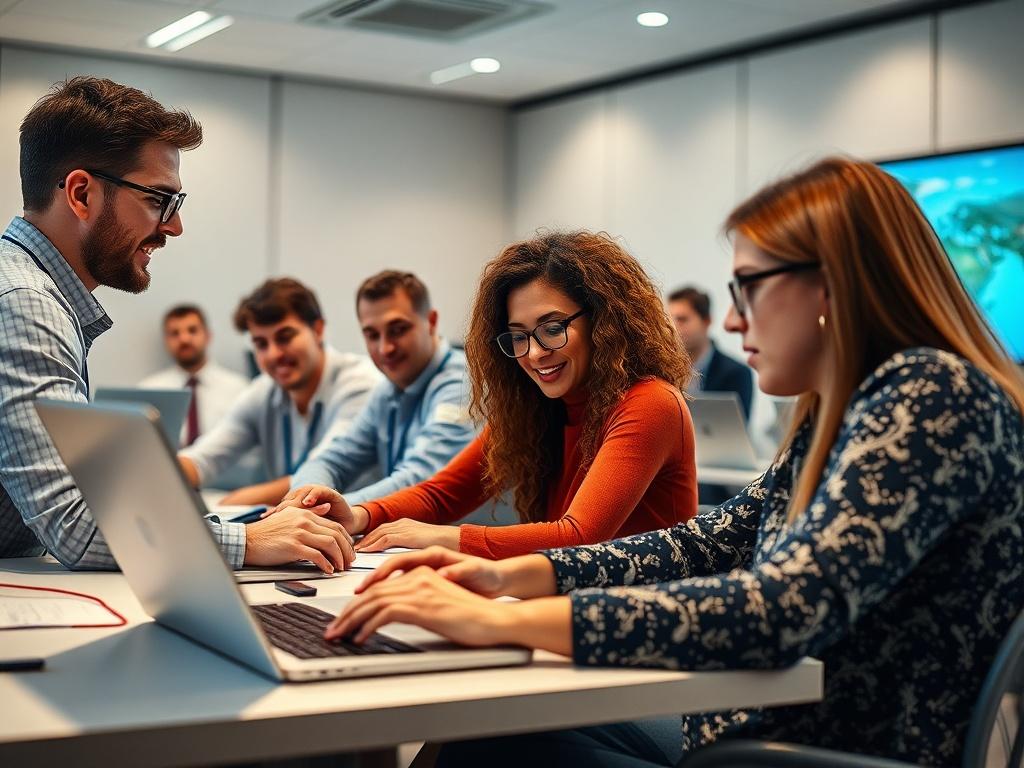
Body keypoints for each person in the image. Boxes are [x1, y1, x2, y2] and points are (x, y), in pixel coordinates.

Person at [325, 157, 1024, 767]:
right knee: (486, 728)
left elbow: (780, 608)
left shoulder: (932, 396)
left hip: (800, 753)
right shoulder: (839, 417)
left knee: (491, 736)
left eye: (748, 286)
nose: (733, 320)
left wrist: (500, 618)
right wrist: (503, 573)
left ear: (832, 285)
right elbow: (707, 542)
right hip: (757, 733)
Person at [0, 77, 354, 573]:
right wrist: (247, 541)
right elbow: (75, 527)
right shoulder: (26, 302)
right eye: (156, 200)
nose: (173, 226)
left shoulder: (25, 289)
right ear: (81, 194)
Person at [272, 231, 698, 559]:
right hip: (569, 606)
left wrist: (443, 538)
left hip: (632, 622)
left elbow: (578, 537)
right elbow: (441, 494)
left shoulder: (649, 402)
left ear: (603, 321)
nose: (533, 354)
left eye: (552, 328)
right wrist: (358, 515)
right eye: (517, 337)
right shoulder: (539, 408)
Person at [267, 270, 474, 508]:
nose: (385, 348)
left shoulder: (462, 383)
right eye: (372, 335)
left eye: (398, 330)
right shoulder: (388, 391)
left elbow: (422, 481)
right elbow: (331, 461)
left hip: (464, 542)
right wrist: (305, 500)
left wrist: (331, 509)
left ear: (431, 322)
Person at [178, 277, 380, 505]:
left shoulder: (360, 383)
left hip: (362, 529)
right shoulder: (264, 391)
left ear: (318, 330)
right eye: (261, 344)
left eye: (285, 337)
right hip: (296, 529)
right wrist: (165, 472)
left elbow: (325, 470)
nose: (273, 354)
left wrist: (234, 501)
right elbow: (205, 458)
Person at [138, 303, 249, 447]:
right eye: (175, 333)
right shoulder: (148, 391)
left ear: (208, 336)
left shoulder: (240, 389)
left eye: (192, 330)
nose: (184, 339)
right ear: (166, 341)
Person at [668, 285, 753, 420]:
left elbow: (737, 433)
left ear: (706, 322)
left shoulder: (737, 373)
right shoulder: (663, 370)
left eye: (682, 319)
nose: (673, 327)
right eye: (669, 320)